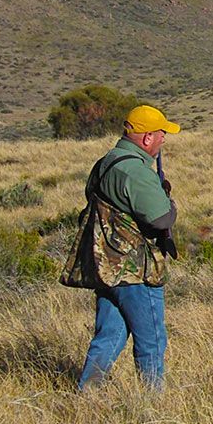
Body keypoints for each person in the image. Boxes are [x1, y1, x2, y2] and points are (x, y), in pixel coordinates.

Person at [73, 104, 181, 391]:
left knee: (109, 335)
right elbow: (161, 218)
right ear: (147, 138)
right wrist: (170, 203)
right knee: (152, 341)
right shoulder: (135, 171)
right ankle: (150, 402)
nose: (163, 140)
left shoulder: (106, 162)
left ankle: (88, 394)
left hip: (106, 266)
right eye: (161, 134)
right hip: (133, 269)